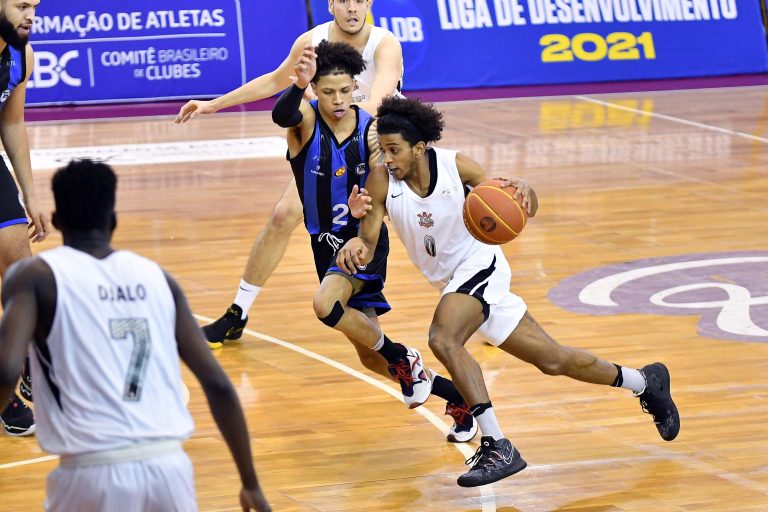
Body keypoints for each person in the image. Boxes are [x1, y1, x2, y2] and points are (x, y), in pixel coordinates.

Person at [336, 97, 681, 487]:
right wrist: (356, 241)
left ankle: (498, 445)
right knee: (553, 360)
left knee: (443, 338)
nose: (388, 158)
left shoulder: (454, 166)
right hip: (451, 284)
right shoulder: (382, 181)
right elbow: (368, 240)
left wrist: (525, 191)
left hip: (479, 266)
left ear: (419, 148)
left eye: (395, 149)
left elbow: (510, 203)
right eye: (383, 149)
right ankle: (645, 382)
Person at [0, 160, 271, 511]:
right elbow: (218, 385)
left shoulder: (35, 277)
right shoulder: (158, 278)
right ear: (112, 220)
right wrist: (250, 482)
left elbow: (7, 370)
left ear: (57, 220)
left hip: (90, 470)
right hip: (169, 469)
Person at [265, 40, 477, 441]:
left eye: (346, 90)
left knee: (325, 305)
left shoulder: (371, 130)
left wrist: (367, 202)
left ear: (355, 88)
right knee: (369, 356)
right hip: (323, 242)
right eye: (328, 91)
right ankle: (456, 397)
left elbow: (385, 177)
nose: (338, 100)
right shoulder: (305, 121)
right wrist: (298, 85)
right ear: (315, 89)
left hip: (363, 239)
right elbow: (282, 115)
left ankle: (403, 357)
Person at [174, 0, 404, 346]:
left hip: (380, 149)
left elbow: (376, 105)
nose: (352, 8)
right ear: (331, 4)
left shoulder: (384, 44)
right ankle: (237, 313)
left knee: (419, 225)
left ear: (369, 3)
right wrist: (213, 104)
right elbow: (275, 80)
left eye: (359, 0)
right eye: (344, 0)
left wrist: (325, 101)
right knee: (283, 214)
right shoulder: (311, 42)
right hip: (334, 146)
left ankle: (477, 307)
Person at [0, 0, 49, 437]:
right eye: (21, 5)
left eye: (34, 5)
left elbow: (12, 123)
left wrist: (30, 193)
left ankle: (27, 364)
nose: (30, 14)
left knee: (19, 260)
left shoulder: (21, 54)